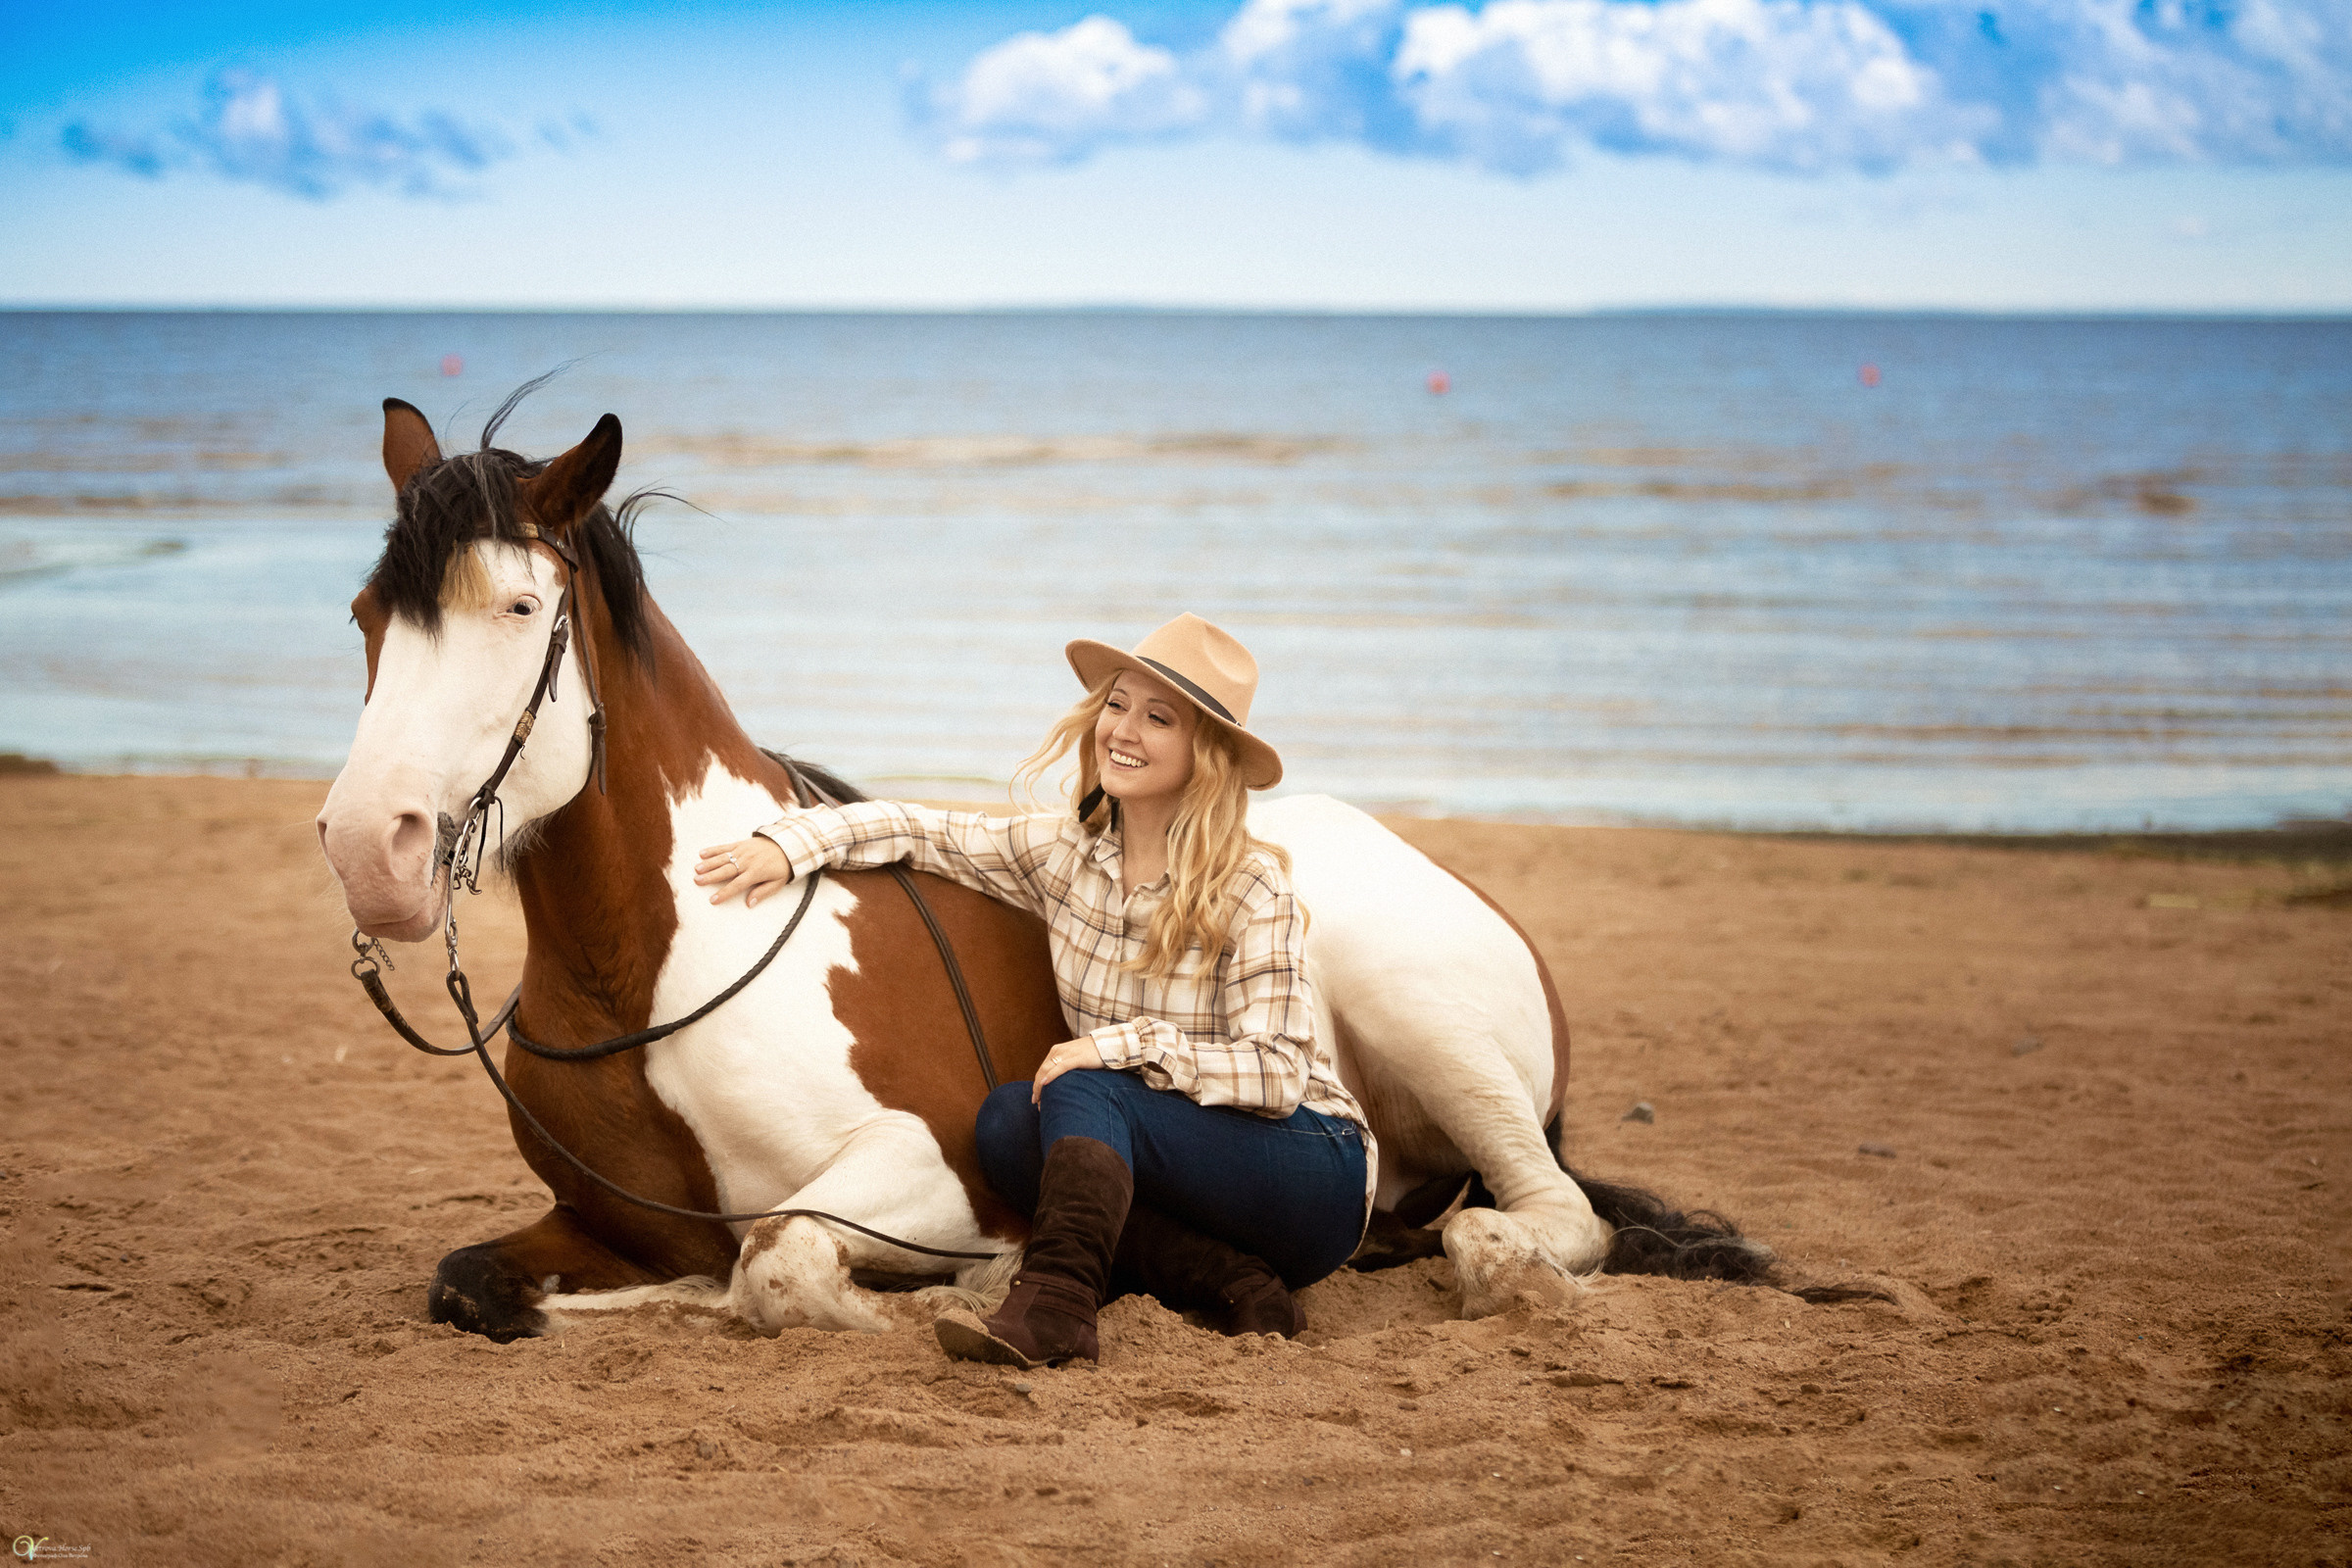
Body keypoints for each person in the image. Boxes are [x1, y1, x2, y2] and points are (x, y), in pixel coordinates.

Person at [694, 612, 1372, 1369]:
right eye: (1117, 705)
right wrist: (789, 842)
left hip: (1311, 1170)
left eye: (1158, 718)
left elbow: (1279, 1073)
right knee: (1007, 1128)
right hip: (1185, 1183)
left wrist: (1119, 1048)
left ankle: (1056, 1306)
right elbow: (920, 828)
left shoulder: (1251, 884)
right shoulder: (1061, 854)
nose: (1124, 730)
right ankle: (1237, 1282)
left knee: (1084, 1084)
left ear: (1204, 753)